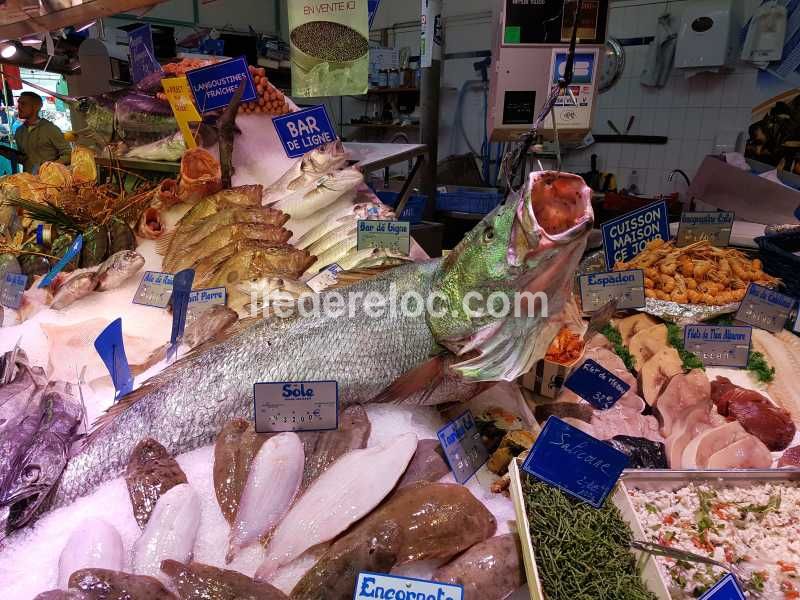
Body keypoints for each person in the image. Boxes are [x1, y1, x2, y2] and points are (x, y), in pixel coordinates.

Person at [14, 91, 70, 173]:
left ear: (36, 107)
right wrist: (9, 154)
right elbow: (24, 159)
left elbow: (68, 154)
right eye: (18, 103)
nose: (18, 107)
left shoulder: (50, 129)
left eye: (23, 104)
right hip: (29, 181)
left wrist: (49, 167)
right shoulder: (19, 131)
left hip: (50, 181)